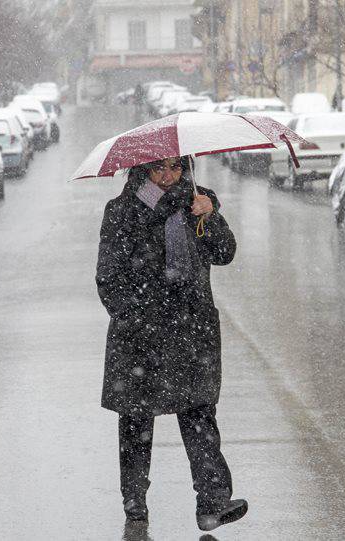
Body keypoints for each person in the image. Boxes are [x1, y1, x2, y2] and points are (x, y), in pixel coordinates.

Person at [96, 156, 247, 531]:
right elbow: (108, 276)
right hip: (140, 334)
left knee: (199, 415)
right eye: (159, 168)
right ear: (142, 169)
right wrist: (134, 318)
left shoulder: (198, 201)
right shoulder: (122, 210)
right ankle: (135, 503)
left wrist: (210, 217)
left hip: (191, 329)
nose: (168, 176)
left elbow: (224, 253)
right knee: (136, 421)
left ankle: (212, 503)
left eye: (177, 168)